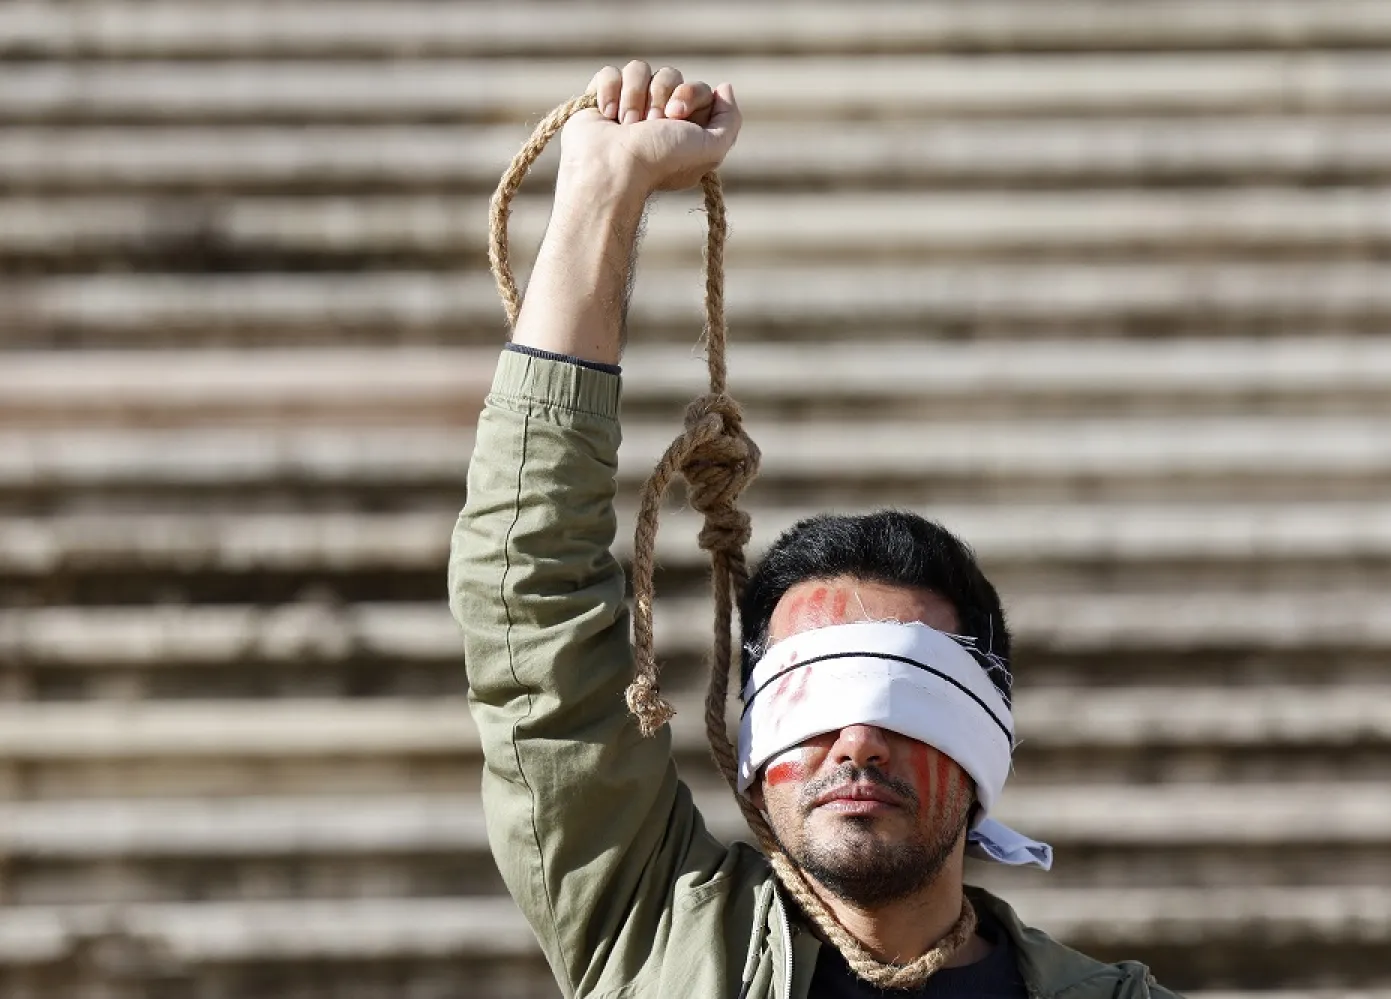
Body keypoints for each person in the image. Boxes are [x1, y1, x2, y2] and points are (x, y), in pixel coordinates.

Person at [450, 61, 1181, 999]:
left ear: (985, 741)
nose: (857, 740)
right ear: (755, 745)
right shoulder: (661, 936)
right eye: (814, 694)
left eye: (910, 693)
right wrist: (601, 192)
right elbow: (529, 601)